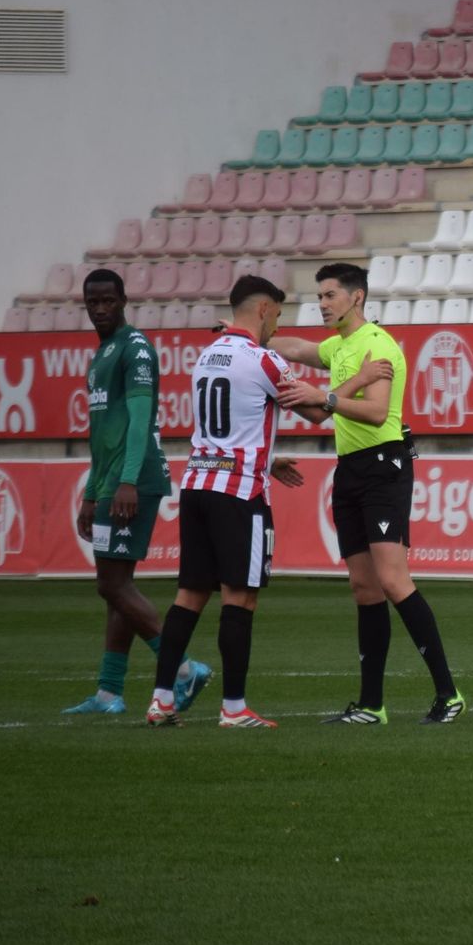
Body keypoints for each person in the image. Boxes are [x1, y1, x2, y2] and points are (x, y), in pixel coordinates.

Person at [271, 262, 464, 725]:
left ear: (356, 298)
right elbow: (295, 347)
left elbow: (378, 414)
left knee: (394, 581)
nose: (322, 304)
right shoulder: (339, 345)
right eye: (319, 296)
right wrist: (244, 335)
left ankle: (449, 694)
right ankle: (372, 705)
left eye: (330, 295)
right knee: (364, 589)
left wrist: (330, 397)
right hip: (351, 469)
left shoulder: (377, 345)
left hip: (383, 466)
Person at [147, 277, 305, 728]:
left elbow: (231, 423)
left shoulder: (205, 356)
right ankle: (234, 707)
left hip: (198, 483)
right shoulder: (264, 360)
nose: (277, 322)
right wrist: (362, 381)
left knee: (190, 594)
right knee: (240, 598)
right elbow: (315, 408)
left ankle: (161, 699)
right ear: (262, 308)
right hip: (239, 492)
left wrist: (267, 457)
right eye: (277, 313)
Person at [65, 269, 209, 716]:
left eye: (109, 300)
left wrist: (126, 481)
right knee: (117, 587)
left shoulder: (136, 348)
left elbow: (140, 420)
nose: (101, 308)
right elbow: (102, 434)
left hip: (135, 480)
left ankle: (183, 669)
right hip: (112, 482)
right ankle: (109, 693)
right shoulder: (103, 353)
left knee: (111, 584)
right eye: (94, 302)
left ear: (124, 300)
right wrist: (92, 491)